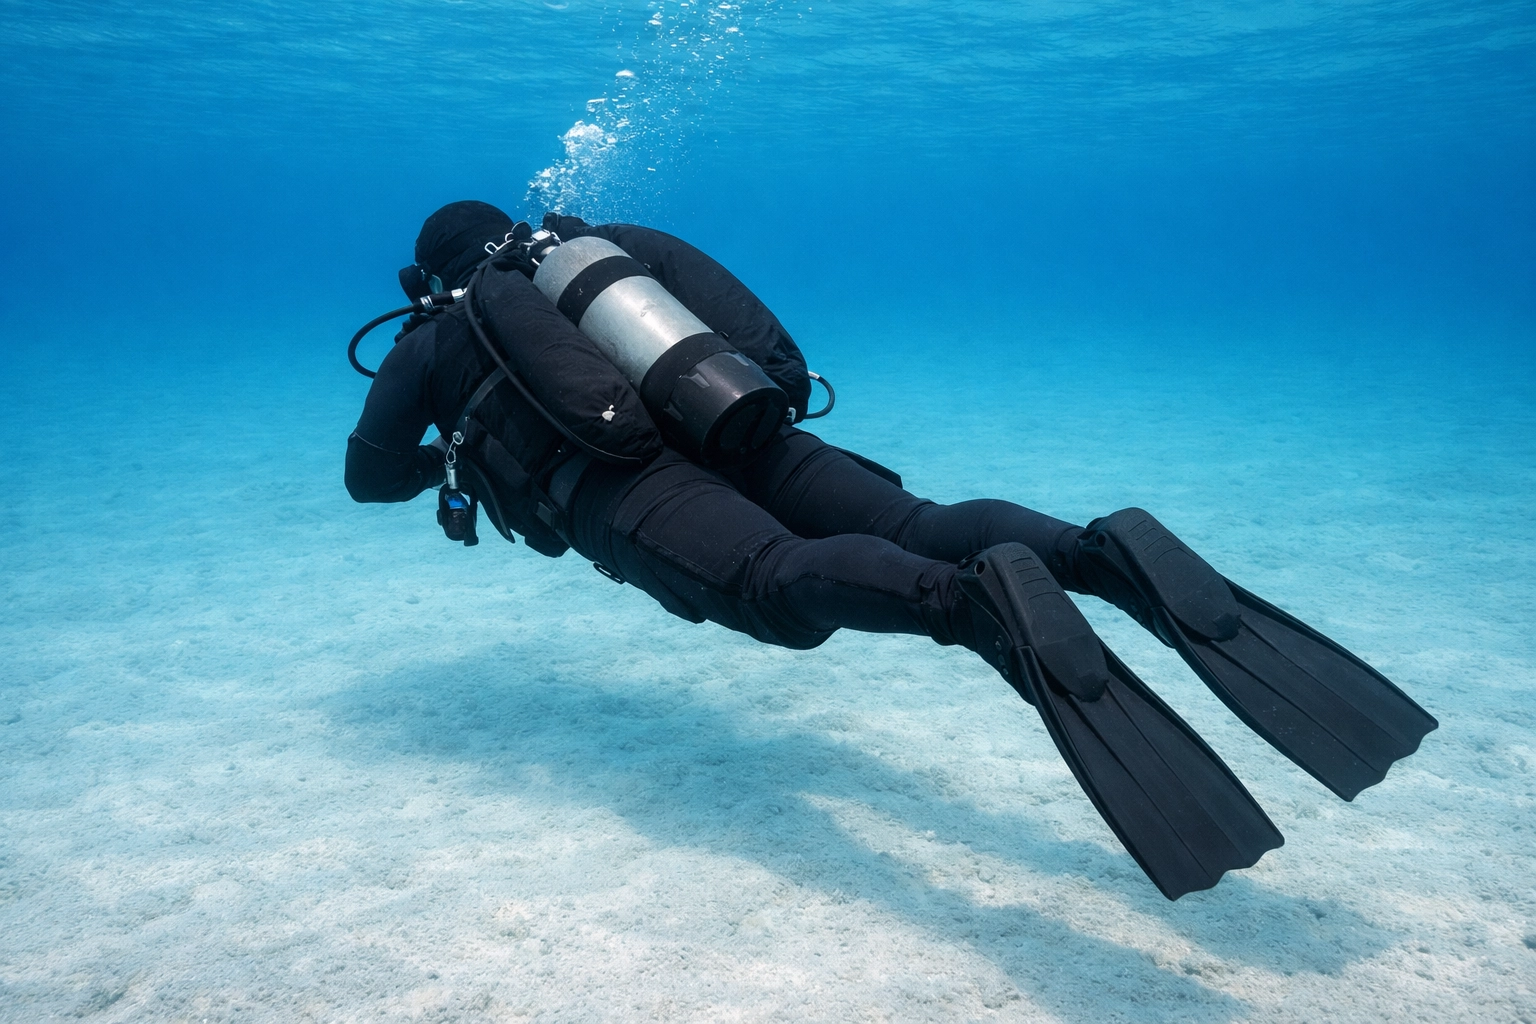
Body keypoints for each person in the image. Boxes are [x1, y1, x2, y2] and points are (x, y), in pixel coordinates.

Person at [346, 200, 1436, 899]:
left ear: (428, 275)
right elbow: (753, 333)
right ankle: (1095, 553)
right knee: (915, 522)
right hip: (752, 428)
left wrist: (458, 441)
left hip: (629, 486)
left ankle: (971, 607)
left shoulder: (441, 335)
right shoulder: (608, 254)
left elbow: (368, 476)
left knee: (775, 584)